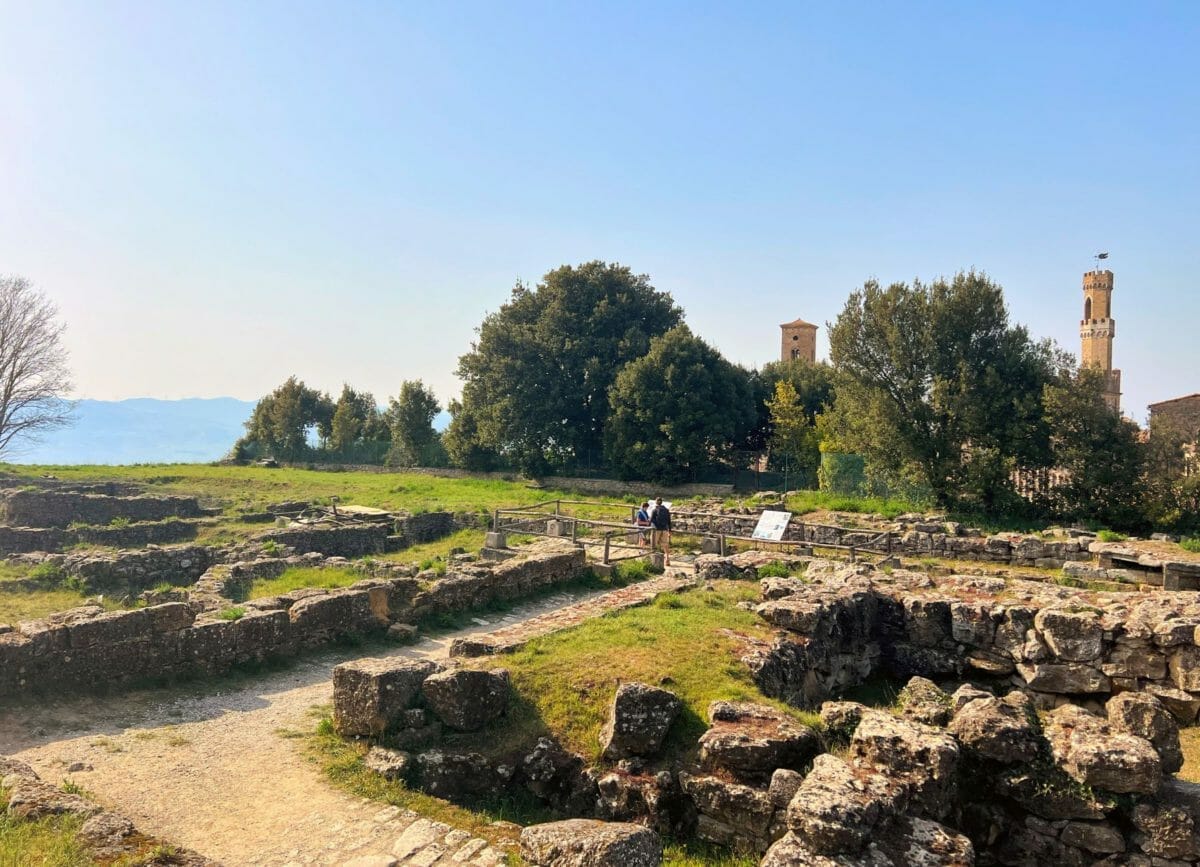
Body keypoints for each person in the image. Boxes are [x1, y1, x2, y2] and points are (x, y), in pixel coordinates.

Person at [650, 496, 671, 565]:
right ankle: (667, 559)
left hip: (657, 529)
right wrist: (669, 530)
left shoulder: (655, 510)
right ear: (662, 502)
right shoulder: (666, 510)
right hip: (665, 529)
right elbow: (669, 521)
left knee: (654, 543)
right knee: (665, 544)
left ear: (656, 502)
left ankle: (653, 560)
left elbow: (651, 520)